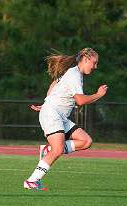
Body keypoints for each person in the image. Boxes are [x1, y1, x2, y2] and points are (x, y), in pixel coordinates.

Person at [24, 47, 108, 191]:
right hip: (52, 114)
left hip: (58, 115)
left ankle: (50, 150)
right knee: (58, 150)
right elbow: (80, 100)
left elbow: (54, 83)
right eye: (94, 63)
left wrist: (45, 103)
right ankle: (32, 181)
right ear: (86, 59)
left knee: (86, 141)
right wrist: (98, 94)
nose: (95, 66)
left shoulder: (73, 73)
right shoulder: (74, 75)